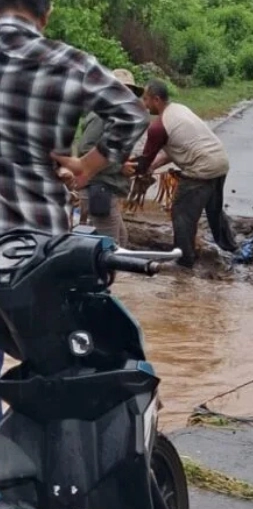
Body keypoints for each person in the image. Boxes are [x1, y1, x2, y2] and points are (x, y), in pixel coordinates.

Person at [0, 0, 149, 401]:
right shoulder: (65, 61)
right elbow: (132, 113)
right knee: (55, 371)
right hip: (33, 251)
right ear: (45, 13)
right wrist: (88, 165)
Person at [126, 78, 238, 269]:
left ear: (156, 99)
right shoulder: (178, 110)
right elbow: (176, 149)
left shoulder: (158, 127)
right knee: (214, 210)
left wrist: (121, 169)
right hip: (220, 161)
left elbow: (143, 162)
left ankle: (184, 260)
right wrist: (154, 166)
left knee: (181, 213)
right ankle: (231, 247)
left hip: (201, 169)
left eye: (146, 99)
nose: (144, 104)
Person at [75, 68, 146, 246]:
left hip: (105, 189)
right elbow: (85, 150)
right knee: (110, 247)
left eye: (129, 91)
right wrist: (120, 167)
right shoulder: (102, 116)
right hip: (98, 189)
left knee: (120, 240)